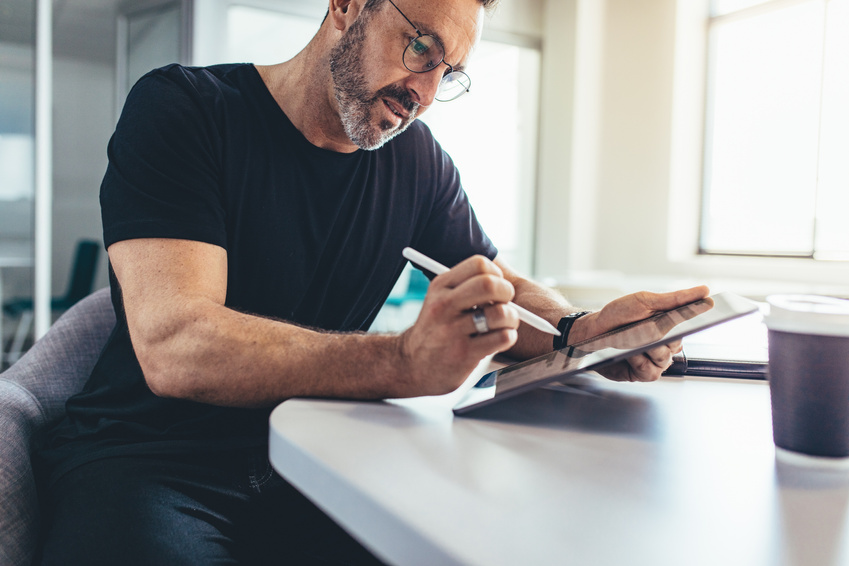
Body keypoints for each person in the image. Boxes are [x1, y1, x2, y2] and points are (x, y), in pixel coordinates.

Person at [36, 0, 709, 564]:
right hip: (147, 464)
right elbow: (176, 346)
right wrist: (400, 361)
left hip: (311, 461)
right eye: (420, 47)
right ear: (347, 5)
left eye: (447, 73)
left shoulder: (416, 162)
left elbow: (494, 285)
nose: (422, 92)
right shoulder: (185, 109)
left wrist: (578, 330)